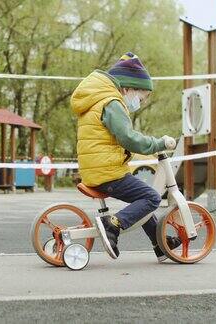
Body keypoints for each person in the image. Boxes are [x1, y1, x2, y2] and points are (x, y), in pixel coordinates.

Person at [70, 52, 181, 261]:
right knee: (151, 197)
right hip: (107, 172)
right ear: (128, 88)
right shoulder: (112, 103)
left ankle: (160, 244)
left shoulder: (95, 99)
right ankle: (113, 224)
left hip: (96, 170)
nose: (138, 103)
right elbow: (127, 138)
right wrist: (157, 143)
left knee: (141, 197)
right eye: (140, 98)